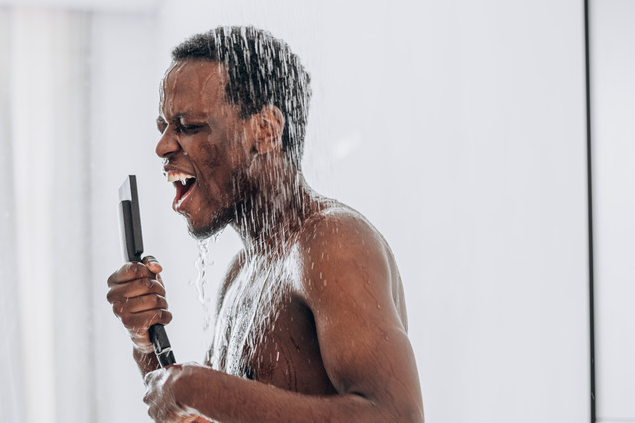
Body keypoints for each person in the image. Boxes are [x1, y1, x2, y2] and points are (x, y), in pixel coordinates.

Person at [107, 26, 424, 423]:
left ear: (266, 131)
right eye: (164, 128)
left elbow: (395, 417)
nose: (163, 146)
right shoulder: (239, 274)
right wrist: (146, 343)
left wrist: (196, 387)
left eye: (187, 126)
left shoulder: (331, 242)